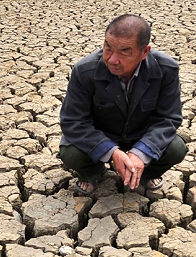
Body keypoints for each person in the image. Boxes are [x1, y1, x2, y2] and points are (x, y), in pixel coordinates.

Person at [58, 14, 186, 195]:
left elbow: (168, 118)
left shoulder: (165, 69)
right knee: (70, 153)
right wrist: (111, 151)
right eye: (108, 48)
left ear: (145, 52)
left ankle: (143, 173)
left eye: (124, 51)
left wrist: (141, 152)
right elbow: (72, 121)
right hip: (102, 133)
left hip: (141, 134)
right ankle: (94, 172)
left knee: (176, 148)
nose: (112, 59)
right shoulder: (85, 71)